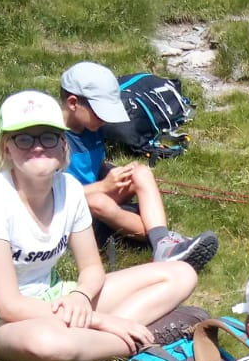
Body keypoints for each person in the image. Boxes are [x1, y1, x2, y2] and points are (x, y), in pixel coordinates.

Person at [0, 91, 201, 361]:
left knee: (181, 273)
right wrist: (101, 320)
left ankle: (91, 349)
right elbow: (8, 305)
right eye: (23, 139)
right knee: (45, 343)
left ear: (63, 145)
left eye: (48, 137)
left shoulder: (69, 190)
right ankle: (146, 337)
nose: (37, 147)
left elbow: (92, 268)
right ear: (7, 148)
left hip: (56, 297)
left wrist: (81, 296)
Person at [59, 61, 218, 270]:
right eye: (100, 113)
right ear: (73, 103)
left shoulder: (92, 127)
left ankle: (163, 245)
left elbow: (91, 166)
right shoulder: (51, 141)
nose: (105, 120)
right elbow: (51, 195)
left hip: (94, 192)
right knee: (100, 202)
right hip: (67, 208)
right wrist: (103, 186)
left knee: (140, 172)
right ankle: (164, 239)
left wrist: (113, 172)